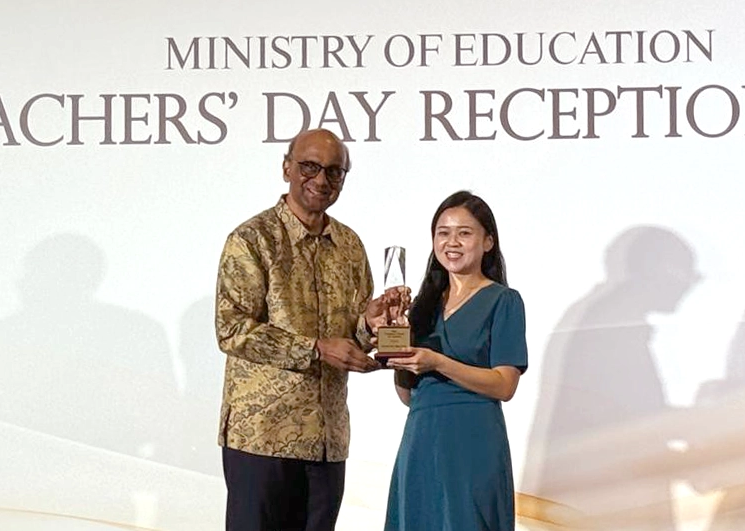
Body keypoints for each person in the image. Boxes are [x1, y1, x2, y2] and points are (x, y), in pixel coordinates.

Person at [214, 128, 408, 531]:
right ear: (287, 168)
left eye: (334, 172)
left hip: (326, 441)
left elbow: (352, 337)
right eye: (310, 167)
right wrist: (317, 349)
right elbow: (232, 329)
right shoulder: (252, 240)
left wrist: (370, 323)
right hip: (262, 436)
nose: (321, 180)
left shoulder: (350, 245)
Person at [383, 190, 528, 531]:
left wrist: (438, 362)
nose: (452, 242)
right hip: (421, 439)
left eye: (464, 232)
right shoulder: (421, 305)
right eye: (443, 233)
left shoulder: (503, 301)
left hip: (473, 440)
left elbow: (505, 385)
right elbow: (408, 396)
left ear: (487, 241)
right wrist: (398, 350)